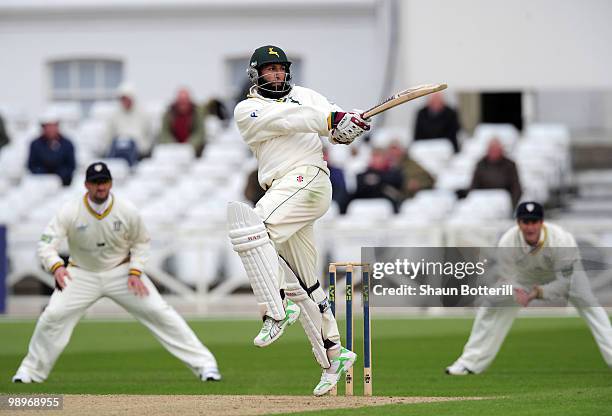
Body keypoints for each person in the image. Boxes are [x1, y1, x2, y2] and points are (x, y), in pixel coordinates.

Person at [230, 45, 370, 396]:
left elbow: (336, 128)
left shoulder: (307, 95)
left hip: (309, 179)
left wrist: (348, 125)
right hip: (282, 187)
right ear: (255, 74)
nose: (276, 74)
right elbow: (290, 121)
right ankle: (333, 355)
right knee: (304, 282)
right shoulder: (248, 109)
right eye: (269, 70)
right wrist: (329, 121)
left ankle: (275, 309)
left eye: (280, 69)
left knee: (254, 226)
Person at [12, 162, 220, 383]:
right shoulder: (70, 211)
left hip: (122, 273)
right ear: (86, 185)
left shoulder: (126, 210)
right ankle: (30, 372)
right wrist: (56, 265)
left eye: (104, 182)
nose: (100, 187)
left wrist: (135, 271)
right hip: (80, 274)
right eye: (95, 182)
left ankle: (206, 366)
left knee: (161, 313)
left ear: (110, 183)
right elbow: (46, 244)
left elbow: (141, 243)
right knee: (52, 316)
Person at [445, 202, 612, 375]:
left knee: (590, 306)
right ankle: (469, 363)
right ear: (518, 223)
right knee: (491, 303)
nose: (530, 227)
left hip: (567, 276)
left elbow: (564, 283)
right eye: (525, 222)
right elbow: (507, 276)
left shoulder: (561, 240)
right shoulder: (508, 241)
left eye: (534, 222)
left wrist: (538, 293)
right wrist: (517, 291)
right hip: (525, 277)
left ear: (541, 223)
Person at [106, 82, 152, 164]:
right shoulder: (114, 115)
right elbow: (108, 136)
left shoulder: (143, 114)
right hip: (118, 152)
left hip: (138, 154)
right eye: (123, 99)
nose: (125, 101)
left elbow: (148, 136)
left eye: (127, 98)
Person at [27, 111, 76, 186]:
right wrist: (45, 176)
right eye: (48, 126)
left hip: (63, 184)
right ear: (43, 127)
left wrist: (59, 176)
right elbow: (32, 165)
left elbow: (71, 165)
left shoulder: (67, 144)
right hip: (40, 183)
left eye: (53, 126)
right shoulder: (35, 144)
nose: (51, 129)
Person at [470, 138, 522, 207]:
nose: (494, 152)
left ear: (501, 150)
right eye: (492, 150)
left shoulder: (510, 165)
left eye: (496, 150)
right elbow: (474, 185)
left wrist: (512, 204)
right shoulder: (480, 164)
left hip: (504, 202)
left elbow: (516, 187)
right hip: (484, 201)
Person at [350, 148, 404, 213]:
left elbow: (397, 183)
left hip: (386, 204)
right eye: (374, 156)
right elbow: (359, 187)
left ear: (385, 158)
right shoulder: (362, 175)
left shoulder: (393, 173)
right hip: (365, 203)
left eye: (379, 156)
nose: (376, 159)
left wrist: (378, 179)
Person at [159, 88, 205, 157]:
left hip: (194, 151)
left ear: (189, 101)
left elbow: (200, 133)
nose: (183, 103)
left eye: (185, 101)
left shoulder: (197, 113)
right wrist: (173, 145)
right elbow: (164, 133)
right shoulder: (168, 114)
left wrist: (189, 145)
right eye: (181, 101)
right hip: (172, 151)